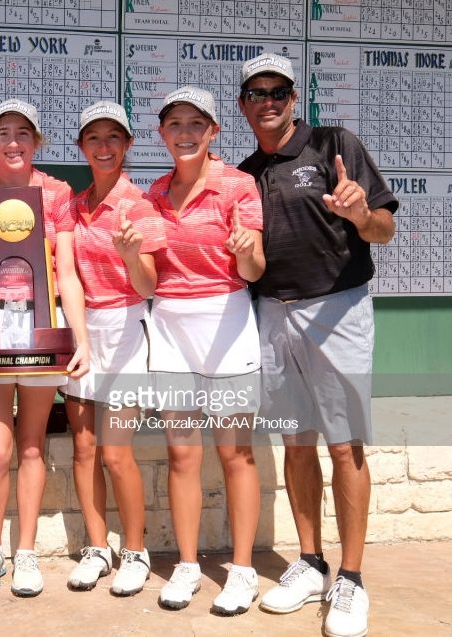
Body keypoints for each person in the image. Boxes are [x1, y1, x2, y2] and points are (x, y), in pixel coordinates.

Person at [236, 53, 396, 637]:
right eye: (257, 92)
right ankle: (310, 561)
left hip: (337, 308)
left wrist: (360, 216)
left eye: (279, 90)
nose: (269, 100)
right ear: (243, 105)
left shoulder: (333, 143)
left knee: (346, 445)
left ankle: (351, 578)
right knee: (297, 444)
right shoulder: (246, 169)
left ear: (294, 97)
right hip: (271, 314)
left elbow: (384, 226)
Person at [0, 98, 90, 597]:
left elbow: (68, 272)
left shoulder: (56, 193)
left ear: (37, 142)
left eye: (23, 133)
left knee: (31, 445)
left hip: (41, 333)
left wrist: (81, 337)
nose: (13, 142)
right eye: (3, 133)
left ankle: (25, 552)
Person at [145, 87, 265, 615]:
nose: (186, 132)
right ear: (163, 134)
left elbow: (254, 270)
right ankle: (189, 565)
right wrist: (131, 253)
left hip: (227, 319)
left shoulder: (239, 186)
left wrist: (246, 255)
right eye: (175, 124)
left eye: (197, 123)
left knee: (235, 452)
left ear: (214, 131)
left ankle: (242, 572)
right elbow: (147, 282)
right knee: (182, 452)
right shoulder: (151, 195)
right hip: (170, 324)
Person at [62, 101, 167, 595]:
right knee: (84, 447)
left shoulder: (140, 205)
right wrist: (79, 336)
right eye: (93, 139)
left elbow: (147, 285)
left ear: (127, 145)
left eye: (113, 138)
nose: (103, 147)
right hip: (84, 331)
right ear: (82, 147)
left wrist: (130, 255)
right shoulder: (76, 205)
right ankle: (98, 546)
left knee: (116, 452)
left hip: (127, 329)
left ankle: (135, 550)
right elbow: (71, 279)